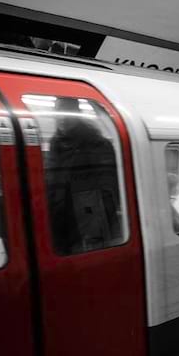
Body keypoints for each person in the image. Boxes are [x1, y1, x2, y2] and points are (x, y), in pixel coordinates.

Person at [46, 98, 120, 254]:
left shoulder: (97, 144)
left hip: (87, 225)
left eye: (67, 113)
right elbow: (50, 183)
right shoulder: (55, 145)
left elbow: (109, 189)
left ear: (77, 115)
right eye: (58, 113)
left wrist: (96, 227)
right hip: (58, 222)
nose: (63, 118)